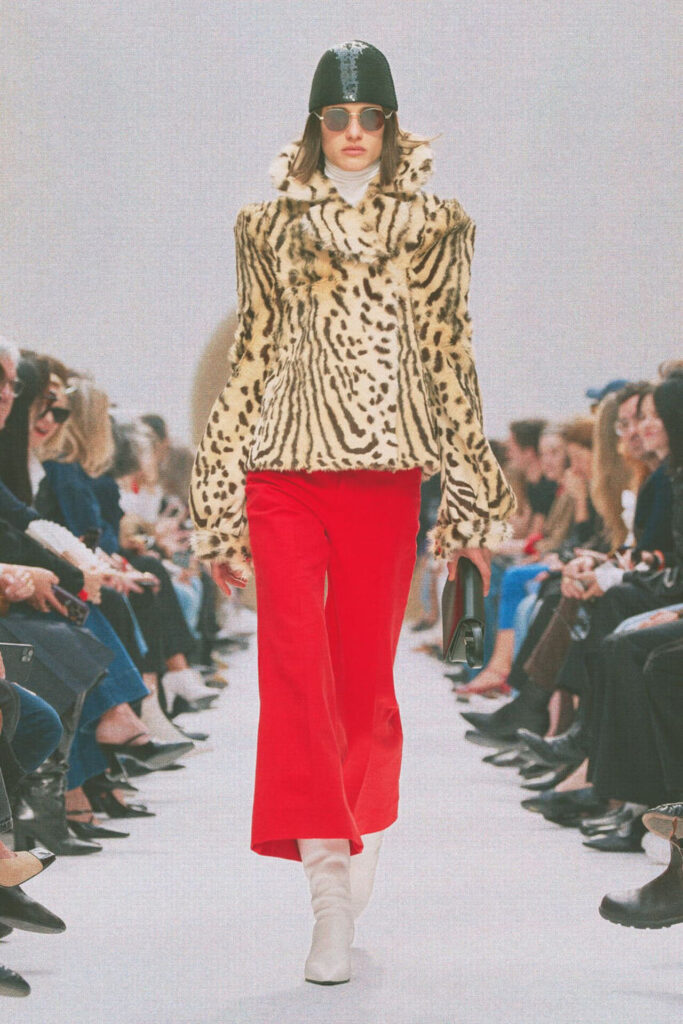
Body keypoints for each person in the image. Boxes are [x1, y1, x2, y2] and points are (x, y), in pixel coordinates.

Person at [190, 40, 515, 985]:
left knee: (362, 677)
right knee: (294, 668)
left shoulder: (436, 225)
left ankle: (355, 822)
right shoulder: (264, 225)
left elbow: (449, 356)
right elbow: (251, 354)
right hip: (282, 467)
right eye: (337, 118)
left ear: (390, 123)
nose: (354, 133)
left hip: (384, 471)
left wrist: (468, 492)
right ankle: (325, 887)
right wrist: (218, 496)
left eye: (370, 117)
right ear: (314, 125)